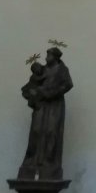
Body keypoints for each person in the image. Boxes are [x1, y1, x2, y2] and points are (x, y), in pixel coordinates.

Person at [17, 47, 73, 180]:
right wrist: (33, 94)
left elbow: (68, 85)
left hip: (54, 106)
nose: (46, 57)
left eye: (49, 55)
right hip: (40, 105)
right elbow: (28, 87)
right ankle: (32, 161)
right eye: (47, 55)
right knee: (36, 130)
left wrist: (49, 93)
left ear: (56, 57)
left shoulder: (62, 70)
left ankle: (49, 161)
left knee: (51, 131)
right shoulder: (41, 71)